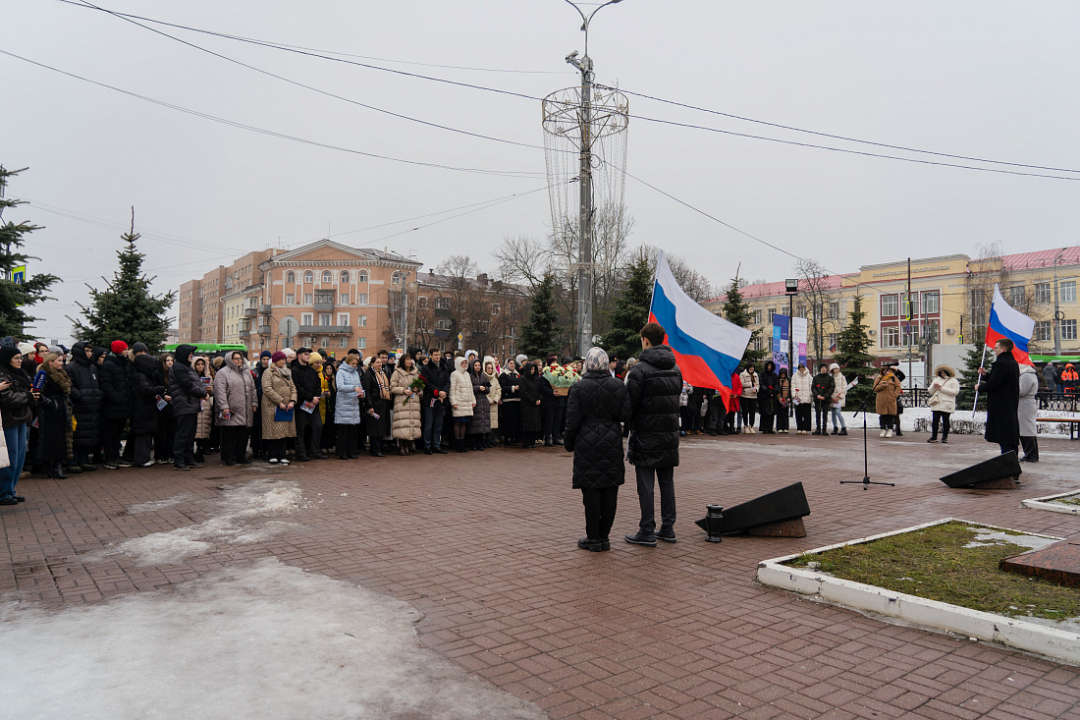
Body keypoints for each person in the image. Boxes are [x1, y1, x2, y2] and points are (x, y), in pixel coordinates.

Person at [565, 347, 632, 552]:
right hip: (611, 440)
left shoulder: (578, 387)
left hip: (586, 442)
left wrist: (569, 443)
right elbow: (626, 414)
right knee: (610, 489)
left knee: (591, 491)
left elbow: (572, 420)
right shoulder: (618, 385)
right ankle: (604, 536)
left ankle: (593, 537)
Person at [625, 322, 682, 547]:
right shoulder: (675, 369)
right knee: (666, 483)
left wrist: (627, 424)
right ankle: (668, 528)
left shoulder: (638, 370)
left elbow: (629, 404)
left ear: (645, 341)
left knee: (645, 485)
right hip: (668, 434)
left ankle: (647, 529)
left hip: (646, 434)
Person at [977, 339, 1022, 458]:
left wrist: (980, 387)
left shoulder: (1001, 363)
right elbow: (1000, 380)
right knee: (1009, 435)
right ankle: (1012, 460)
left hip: (1001, 404)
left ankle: (1007, 463)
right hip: (1009, 403)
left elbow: (994, 383)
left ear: (1003, 349)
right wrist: (985, 375)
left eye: (996, 348)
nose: (994, 350)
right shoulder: (1012, 362)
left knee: (1004, 435)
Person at [215, 350, 258, 466]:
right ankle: (229, 457)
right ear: (230, 360)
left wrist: (254, 403)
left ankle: (241, 456)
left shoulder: (246, 372)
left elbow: (252, 389)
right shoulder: (223, 373)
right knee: (230, 434)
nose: (239, 361)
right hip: (231, 408)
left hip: (245, 409)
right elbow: (220, 391)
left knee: (243, 434)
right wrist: (224, 406)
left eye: (240, 358)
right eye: (236, 358)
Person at [169, 344, 207, 471]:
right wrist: (203, 393)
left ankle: (188, 458)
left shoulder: (185, 367)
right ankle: (179, 460)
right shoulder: (179, 367)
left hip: (190, 404)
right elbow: (187, 385)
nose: (192, 355)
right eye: (190, 353)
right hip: (184, 404)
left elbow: (193, 383)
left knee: (190, 434)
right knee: (183, 434)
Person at [65, 341, 102, 471]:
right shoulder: (71, 368)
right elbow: (69, 386)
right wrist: (79, 396)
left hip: (92, 408)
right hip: (79, 407)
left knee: (88, 435)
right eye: (87, 350)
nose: (90, 353)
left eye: (91, 351)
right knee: (77, 436)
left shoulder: (92, 368)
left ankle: (84, 459)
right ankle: (73, 461)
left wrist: (97, 396)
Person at [98, 340, 134, 469]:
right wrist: (117, 397)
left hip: (124, 406)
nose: (127, 351)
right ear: (118, 350)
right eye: (124, 349)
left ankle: (116, 456)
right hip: (113, 406)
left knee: (118, 432)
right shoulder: (108, 365)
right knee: (110, 432)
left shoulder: (126, 364)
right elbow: (106, 385)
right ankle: (110, 458)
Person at [38, 352, 74, 478]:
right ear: (50, 362)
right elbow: (38, 393)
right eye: (59, 361)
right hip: (50, 412)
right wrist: (50, 403)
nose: (62, 363)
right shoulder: (43, 375)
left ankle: (57, 466)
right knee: (50, 439)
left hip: (62, 409)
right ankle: (48, 466)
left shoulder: (62, 374)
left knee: (62, 437)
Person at [290, 348, 326, 461]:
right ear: (299, 356)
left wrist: (316, 398)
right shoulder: (294, 370)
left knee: (318, 426)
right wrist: (310, 398)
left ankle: (314, 451)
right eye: (306, 355)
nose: (308, 357)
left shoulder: (312, 371)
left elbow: (317, 385)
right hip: (301, 404)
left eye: (308, 355)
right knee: (300, 430)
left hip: (313, 404)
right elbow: (297, 387)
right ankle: (301, 453)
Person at [261, 351, 297, 465]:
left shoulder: (287, 372)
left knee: (284, 432)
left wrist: (292, 401)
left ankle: (282, 455)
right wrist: (279, 401)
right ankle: (272, 455)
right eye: (282, 359)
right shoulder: (268, 372)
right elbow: (267, 388)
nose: (284, 361)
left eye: (284, 359)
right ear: (276, 360)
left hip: (287, 406)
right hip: (272, 406)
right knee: (273, 432)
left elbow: (293, 388)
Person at [130, 353, 165, 468]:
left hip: (144, 409)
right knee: (143, 436)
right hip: (142, 410)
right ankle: (141, 459)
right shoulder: (141, 376)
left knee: (145, 435)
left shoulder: (142, 375)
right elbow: (145, 390)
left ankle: (144, 457)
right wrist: (158, 389)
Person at [390, 354, 422, 456]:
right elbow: (393, 387)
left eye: (410, 359)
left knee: (411, 423)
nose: (409, 361)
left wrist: (418, 390)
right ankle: (401, 446)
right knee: (402, 424)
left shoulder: (415, 373)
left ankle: (408, 446)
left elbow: (420, 386)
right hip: (402, 402)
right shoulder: (397, 373)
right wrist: (403, 390)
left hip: (413, 402)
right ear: (403, 361)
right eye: (407, 360)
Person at [334, 353, 364, 459]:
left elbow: (359, 386)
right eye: (353, 364)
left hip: (354, 404)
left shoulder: (356, 373)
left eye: (356, 364)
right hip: (344, 405)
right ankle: (342, 452)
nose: (355, 366)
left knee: (352, 430)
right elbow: (340, 386)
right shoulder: (341, 372)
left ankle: (352, 451)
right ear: (347, 363)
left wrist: (361, 393)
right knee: (343, 431)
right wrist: (353, 388)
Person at [419, 348, 449, 455]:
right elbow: (426, 383)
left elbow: (447, 381)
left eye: (439, 354)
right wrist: (437, 392)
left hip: (441, 400)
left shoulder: (444, 368)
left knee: (438, 424)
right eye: (435, 355)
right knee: (428, 424)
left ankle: (437, 445)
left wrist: (443, 392)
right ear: (430, 355)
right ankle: (427, 445)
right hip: (429, 399)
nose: (437, 357)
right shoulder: (425, 368)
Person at [364, 353, 392, 457]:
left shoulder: (382, 373)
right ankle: (375, 449)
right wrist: (370, 405)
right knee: (374, 428)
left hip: (383, 403)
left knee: (381, 427)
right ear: (372, 364)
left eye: (380, 362)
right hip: (374, 403)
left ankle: (378, 448)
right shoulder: (369, 374)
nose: (380, 364)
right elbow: (367, 391)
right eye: (377, 362)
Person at [926, 365, 960, 443]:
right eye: (941, 373)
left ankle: (945, 437)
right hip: (936, 403)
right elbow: (930, 391)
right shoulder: (936, 379)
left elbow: (955, 392)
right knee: (935, 420)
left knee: (945, 421)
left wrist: (941, 388)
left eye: (944, 373)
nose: (943, 374)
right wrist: (934, 387)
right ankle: (934, 437)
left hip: (947, 404)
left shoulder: (953, 381)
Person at [152, 353, 176, 465]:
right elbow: (153, 390)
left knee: (172, 432)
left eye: (171, 360)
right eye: (167, 360)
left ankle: (170, 454)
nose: (170, 362)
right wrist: (162, 395)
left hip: (173, 407)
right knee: (161, 432)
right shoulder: (157, 374)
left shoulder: (174, 374)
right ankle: (160, 455)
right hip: (161, 408)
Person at [192, 356, 215, 463]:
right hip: (194, 404)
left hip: (205, 405)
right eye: (198, 364)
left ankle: (200, 452)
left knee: (204, 429)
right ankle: (193, 452)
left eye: (202, 364)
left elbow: (212, 392)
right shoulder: (191, 376)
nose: (200, 366)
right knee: (194, 430)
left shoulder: (208, 376)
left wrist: (210, 390)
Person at [249, 350, 272, 459]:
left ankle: (264, 450)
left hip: (268, 403)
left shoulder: (272, 372)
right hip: (257, 403)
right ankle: (255, 449)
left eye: (268, 359)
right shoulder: (255, 372)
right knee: (255, 427)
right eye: (264, 359)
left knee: (265, 428)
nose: (266, 361)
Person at [466, 358, 491, 451]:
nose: (477, 367)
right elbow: (468, 388)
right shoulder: (469, 376)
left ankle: (481, 443)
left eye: (479, 365)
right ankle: (473, 443)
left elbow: (488, 387)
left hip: (483, 401)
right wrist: (477, 388)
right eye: (476, 365)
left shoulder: (484, 376)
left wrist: (485, 388)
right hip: (474, 400)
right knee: (474, 424)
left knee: (482, 423)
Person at [1018, 362, 1040, 462]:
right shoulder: (1030, 374)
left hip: (1025, 404)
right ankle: (1032, 454)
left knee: (1026, 429)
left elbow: (1021, 391)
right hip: (1027, 403)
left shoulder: (1026, 375)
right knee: (1028, 428)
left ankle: (1030, 454)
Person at [518, 361, 542, 449]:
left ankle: (532, 441)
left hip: (535, 404)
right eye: (531, 369)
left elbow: (539, 390)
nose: (532, 371)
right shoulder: (523, 379)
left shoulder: (535, 379)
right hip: (527, 405)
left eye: (533, 369)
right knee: (527, 424)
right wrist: (533, 400)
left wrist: (539, 399)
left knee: (535, 423)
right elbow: (524, 392)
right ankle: (526, 442)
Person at [498, 359, 521, 447]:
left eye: (513, 363)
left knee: (516, 419)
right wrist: (513, 388)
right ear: (507, 364)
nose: (512, 365)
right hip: (508, 400)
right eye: (510, 363)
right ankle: (507, 437)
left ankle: (514, 437)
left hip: (517, 400)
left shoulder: (517, 374)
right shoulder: (504, 375)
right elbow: (502, 387)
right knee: (508, 420)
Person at [874, 366, 902, 438]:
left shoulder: (893, 378)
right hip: (881, 400)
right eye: (885, 371)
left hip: (891, 400)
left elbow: (898, 387)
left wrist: (894, 395)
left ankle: (890, 430)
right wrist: (882, 386)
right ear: (882, 371)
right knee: (882, 416)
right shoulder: (879, 378)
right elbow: (875, 388)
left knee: (891, 416)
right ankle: (883, 429)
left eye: (888, 371)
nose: (886, 372)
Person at [483, 356, 502, 447]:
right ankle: (486, 440)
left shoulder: (495, 379)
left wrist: (495, 399)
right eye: (488, 368)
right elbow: (483, 392)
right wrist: (489, 400)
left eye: (491, 368)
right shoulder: (483, 378)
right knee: (486, 422)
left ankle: (492, 439)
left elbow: (499, 389)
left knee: (493, 422)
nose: (490, 369)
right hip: (486, 403)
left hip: (494, 403)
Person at [811, 363, 834, 436]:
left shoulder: (830, 378)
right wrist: (817, 395)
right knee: (818, 415)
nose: (823, 369)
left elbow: (832, 388)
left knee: (825, 415)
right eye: (822, 368)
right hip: (817, 399)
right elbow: (813, 387)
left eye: (825, 368)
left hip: (826, 399)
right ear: (820, 369)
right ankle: (818, 429)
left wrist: (825, 396)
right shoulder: (816, 377)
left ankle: (824, 429)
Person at [758, 361, 778, 434]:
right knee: (764, 413)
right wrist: (766, 390)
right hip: (764, 396)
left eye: (770, 366)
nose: (769, 367)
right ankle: (764, 428)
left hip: (772, 397)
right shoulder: (762, 374)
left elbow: (776, 384)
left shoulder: (774, 375)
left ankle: (770, 428)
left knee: (771, 413)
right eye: (768, 365)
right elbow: (761, 383)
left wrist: (773, 392)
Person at [791, 364, 812, 435]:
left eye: (802, 370)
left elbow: (811, 386)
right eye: (800, 370)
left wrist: (811, 395)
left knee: (806, 414)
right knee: (798, 414)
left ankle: (805, 428)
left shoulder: (809, 376)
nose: (801, 371)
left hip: (807, 397)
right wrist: (793, 395)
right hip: (797, 398)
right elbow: (793, 386)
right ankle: (799, 428)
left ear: (804, 369)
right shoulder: (795, 376)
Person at [738, 364, 758, 434]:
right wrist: (750, 384)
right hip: (745, 395)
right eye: (750, 369)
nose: (751, 370)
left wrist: (757, 389)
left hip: (753, 395)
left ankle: (751, 426)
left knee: (752, 412)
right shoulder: (742, 374)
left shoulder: (755, 375)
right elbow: (741, 383)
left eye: (752, 369)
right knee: (745, 411)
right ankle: (745, 425)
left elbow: (757, 384)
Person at [828, 363, 848, 436]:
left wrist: (839, 397)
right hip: (832, 399)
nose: (836, 370)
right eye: (834, 369)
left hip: (839, 399)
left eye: (837, 369)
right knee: (833, 414)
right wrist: (831, 397)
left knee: (838, 412)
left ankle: (843, 427)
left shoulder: (842, 377)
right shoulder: (830, 378)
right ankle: (835, 427)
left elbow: (845, 388)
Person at [775, 367, 791, 434]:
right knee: (779, 414)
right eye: (782, 374)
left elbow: (790, 389)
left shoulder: (788, 380)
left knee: (785, 414)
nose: (783, 376)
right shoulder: (777, 380)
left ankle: (785, 427)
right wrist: (779, 398)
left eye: (784, 374)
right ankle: (779, 427)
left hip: (786, 399)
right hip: (779, 399)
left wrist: (789, 398)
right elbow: (776, 389)